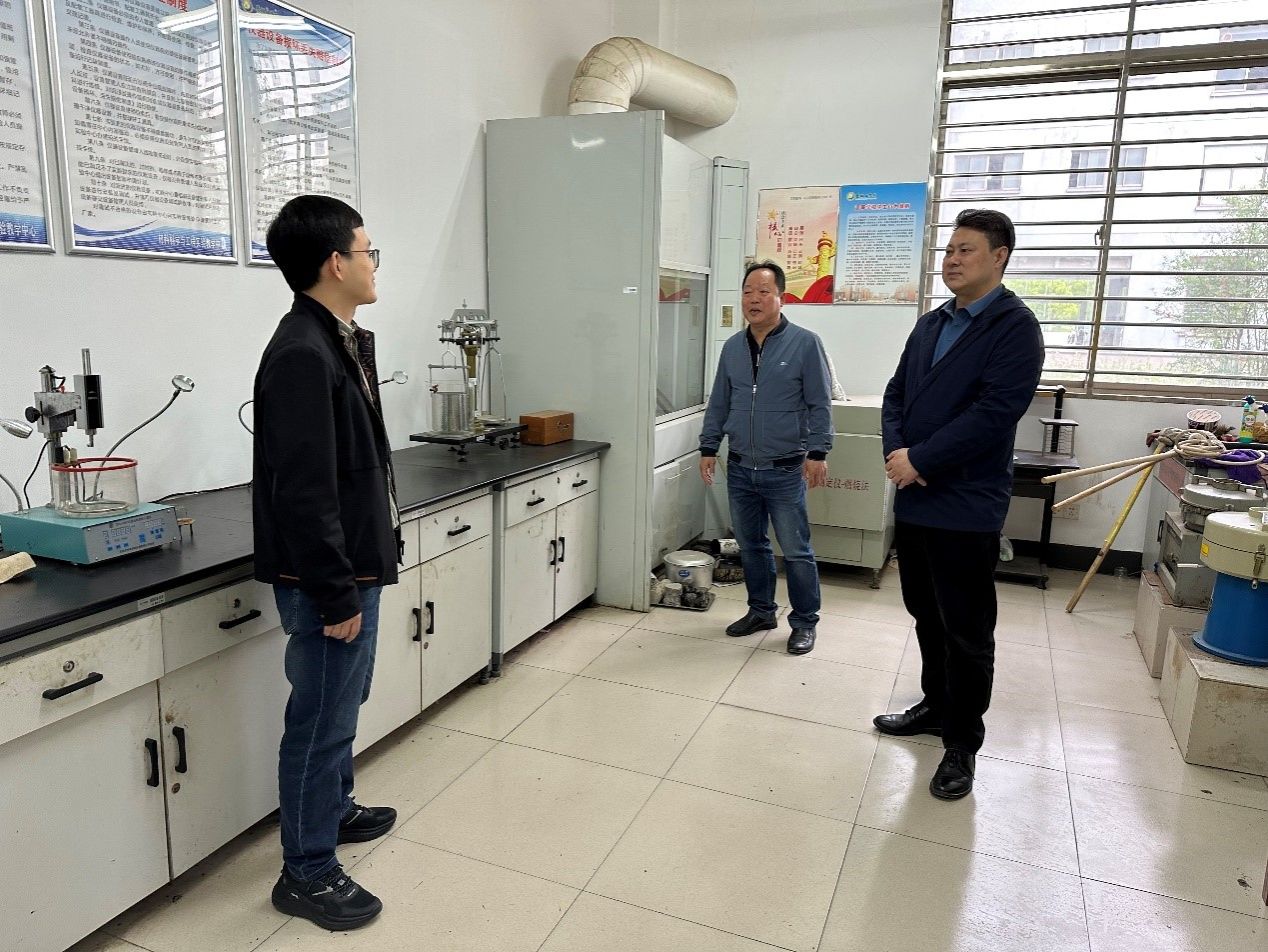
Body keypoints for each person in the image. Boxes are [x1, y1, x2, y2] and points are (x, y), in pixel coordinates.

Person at [253, 195, 401, 930]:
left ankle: (334, 809)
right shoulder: (301, 354)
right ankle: (306, 872)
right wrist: (336, 593)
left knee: (343, 706)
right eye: (369, 251)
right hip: (328, 581)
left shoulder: (335, 339)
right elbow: (304, 492)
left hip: (353, 565)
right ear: (336, 263)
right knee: (319, 722)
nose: (375, 265)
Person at [873, 208, 1044, 800]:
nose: (951, 259)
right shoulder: (931, 324)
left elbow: (994, 413)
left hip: (966, 504)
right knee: (924, 610)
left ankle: (962, 743)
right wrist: (897, 451)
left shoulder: (1014, 328)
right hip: (916, 498)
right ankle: (936, 705)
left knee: (967, 629)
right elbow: (896, 392)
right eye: (949, 250)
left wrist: (920, 459)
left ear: (999, 257)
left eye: (965, 250)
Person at [699, 261, 833, 655]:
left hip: (785, 468)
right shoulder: (732, 348)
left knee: (796, 551)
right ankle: (761, 611)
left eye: (763, 291)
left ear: (781, 297)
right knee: (751, 546)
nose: (753, 300)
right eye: (747, 292)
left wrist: (818, 451)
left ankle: (804, 622)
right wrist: (709, 447)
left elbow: (820, 403)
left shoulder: (805, 343)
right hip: (741, 466)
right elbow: (720, 401)